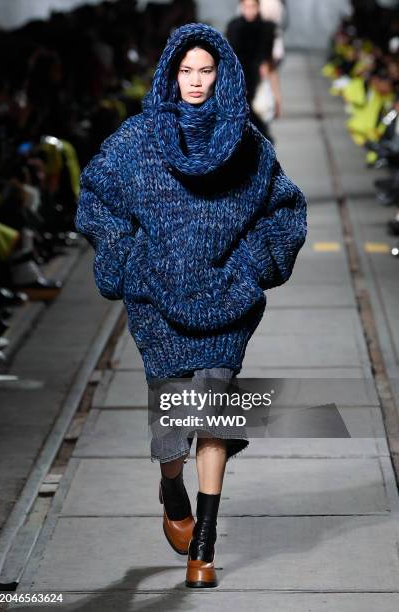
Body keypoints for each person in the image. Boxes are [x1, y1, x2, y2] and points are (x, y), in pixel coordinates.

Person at [75, 22, 307, 589]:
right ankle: (171, 486)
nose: (196, 82)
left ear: (222, 74)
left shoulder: (248, 147)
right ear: (170, 75)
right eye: (186, 71)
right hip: (157, 303)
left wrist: (250, 268)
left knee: (212, 412)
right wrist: (130, 262)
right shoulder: (137, 141)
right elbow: (96, 200)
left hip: (226, 302)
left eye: (206, 71)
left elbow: (285, 212)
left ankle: (203, 545)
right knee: (172, 421)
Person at [226, 0, 281, 141]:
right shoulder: (234, 26)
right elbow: (228, 56)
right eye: (246, 6)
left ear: (258, 7)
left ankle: (261, 140)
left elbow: (268, 63)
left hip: (257, 77)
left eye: (252, 6)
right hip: (238, 77)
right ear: (241, 7)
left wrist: (277, 95)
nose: (249, 10)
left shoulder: (267, 28)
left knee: (258, 110)